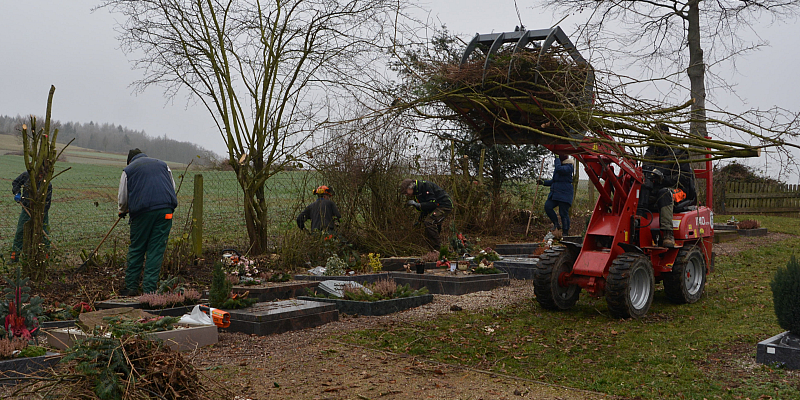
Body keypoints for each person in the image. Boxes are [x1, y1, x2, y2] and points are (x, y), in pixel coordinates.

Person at [118, 149, 177, 296]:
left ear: (130, 160)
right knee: (156, 250)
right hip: (166, 210)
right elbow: (172, 187)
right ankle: (149, 291)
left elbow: (123, 196)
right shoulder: (163, 165)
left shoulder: (129, 170)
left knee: (137, 248)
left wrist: (122, 210)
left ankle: (131, 288)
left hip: (142, 212)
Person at [638, 125, 696, 247]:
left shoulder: (678, 152)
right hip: (656, 189)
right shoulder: (650, 152)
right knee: (640, 190)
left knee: (665, 193)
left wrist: (664, 179)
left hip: (678, 190)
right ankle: (639, 225)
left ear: (667, 135)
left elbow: (684, 179)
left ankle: (668, 233)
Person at [11, 167, 53, 262]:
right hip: (26, 209)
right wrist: (17, 193)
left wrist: (39, 215)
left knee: (44, 232)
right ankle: (14, 256)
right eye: (40, 174)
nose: (41, 177)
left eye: (43, 175)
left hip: (42, 212)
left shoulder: (47, 184)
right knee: (21, 231)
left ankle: (46, 256)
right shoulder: (27, 176)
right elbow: (16, 183)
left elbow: (47, 203)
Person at [399, 179, 453, 250]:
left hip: (444, 205)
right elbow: (425, 209)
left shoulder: (424, 186)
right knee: (427, 227)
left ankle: (439, 249)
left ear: (410, 187)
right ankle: (433, 250)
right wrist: (419, 220)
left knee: (429, 222)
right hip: (436, 207)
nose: (406, 194)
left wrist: (418, 205)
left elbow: (432, 203)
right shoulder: (417, 193)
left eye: (406, 192)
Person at [537, 155, 574, 239]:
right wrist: (543, 182)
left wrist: (557, 159)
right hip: (556, 193)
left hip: (565, 193)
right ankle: (556, 224)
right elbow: (554, 181)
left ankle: (565, 232)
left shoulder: (569, 166)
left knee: (563, 213)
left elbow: (559, 170)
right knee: (548, 206)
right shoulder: (560, 166)